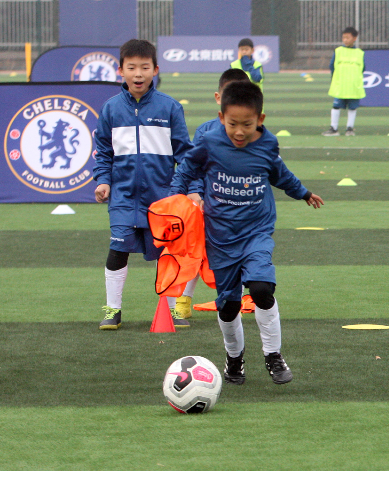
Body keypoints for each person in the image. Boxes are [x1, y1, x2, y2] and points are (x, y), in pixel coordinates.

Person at [170, 81, 324, 385]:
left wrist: (304, 193)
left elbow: (281, 175)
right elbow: (186, 170)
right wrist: (176, 200)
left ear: (261, 120)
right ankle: (234, 358)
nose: (239, 131)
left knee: (262, 288)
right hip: (221, 237)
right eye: (232, 124)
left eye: (247, 124)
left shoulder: (268, 145)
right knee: (227, 304)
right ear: (221, 116)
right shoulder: (209, 143)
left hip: (256, 232)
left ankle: (273, 355)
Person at [93, 39, 192, 330]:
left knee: (167, 253)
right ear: (120, 70)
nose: (138, 74)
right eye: (132, 67)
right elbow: (103, 151)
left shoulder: (170, 107)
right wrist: (103, 181)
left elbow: (185, 153)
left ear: (156, 70)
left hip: (162, 199)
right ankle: (113, 309)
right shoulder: (110, 109)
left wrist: (182, 189)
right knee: (118, 248)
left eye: (145, 67)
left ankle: (173, 310)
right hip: (123, 196)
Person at [169, 67, 252, 320]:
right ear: (219, 98)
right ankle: (183, 299)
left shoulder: (253, 131)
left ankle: (233, 301)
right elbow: (192, 166)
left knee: (237, 253)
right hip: (208, 203)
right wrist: (193, 192)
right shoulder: (206, 130)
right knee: (197, 252)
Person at [323, 27, 366, 136]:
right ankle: (334, 128)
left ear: (355, 38)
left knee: (352, 107)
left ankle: (349, 129)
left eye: (348, 37)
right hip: (340, 85)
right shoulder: (338, 51)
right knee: (336, 106)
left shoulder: (359, 53)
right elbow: (332, 66)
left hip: (353, 86)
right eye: (343, 37)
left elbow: (363, 68)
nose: (345, 40)